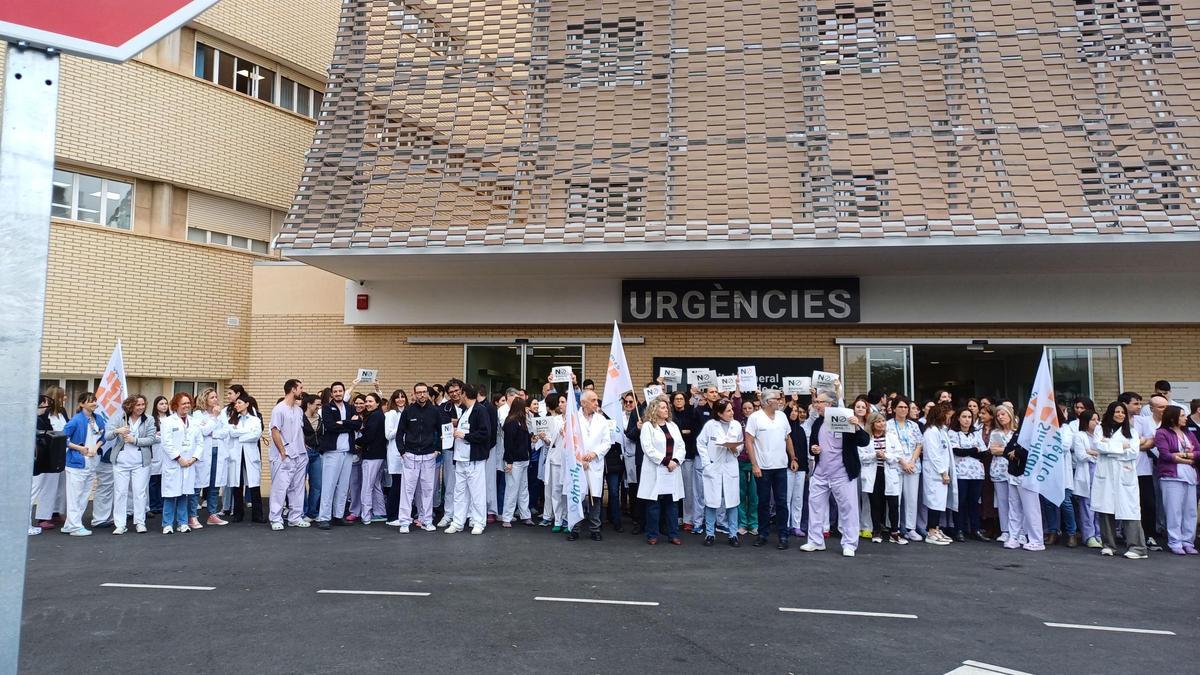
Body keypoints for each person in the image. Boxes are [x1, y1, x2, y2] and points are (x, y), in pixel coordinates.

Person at [802, 390, 869, 556]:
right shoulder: (818, 423)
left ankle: (849, 544)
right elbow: (814, 444)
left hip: (843, 473)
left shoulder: (846, 420)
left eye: (819, 402)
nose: (816, 404)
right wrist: (814, 449)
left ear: (830, 404)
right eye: (816, 402)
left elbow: (864, 441)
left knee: (848, 509)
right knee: (815, 507)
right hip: (821, 472)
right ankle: (815, 541)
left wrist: (857, 427)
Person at [745, 390, 799, 551]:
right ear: (768, 401)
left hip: (781, 466)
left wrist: (793, 457)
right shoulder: (755, 417)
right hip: (763, 467)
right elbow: (749, 441)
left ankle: (783, 535)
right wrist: (754, 464)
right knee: (763, 502)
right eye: (777, 398)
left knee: (782, 502)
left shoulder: (782, 416)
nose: (780, 401)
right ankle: (763, 534)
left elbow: (787, 438)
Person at [1093, 402, 1148, 558]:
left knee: (1129, 510)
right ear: (1110, 413)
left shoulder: (1132, 431)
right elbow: (1098, 446)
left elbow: (1133, 453)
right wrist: (1121, 446)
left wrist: (1109, 446)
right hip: (1106, 475)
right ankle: (1109, 545)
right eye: (1117, 411)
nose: (1120, 414)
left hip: (1125, 475)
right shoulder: (1100, 429)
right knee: (1105, 509)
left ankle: (1138, 548)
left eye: (1122, 412)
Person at [395, 383, 444, 533]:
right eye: (419, 393)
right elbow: (399, 433)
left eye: (424, 392)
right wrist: (402, 451)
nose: (422, 395)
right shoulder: (408, 411)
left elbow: (441, 432)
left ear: (428, 394)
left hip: (429, 456)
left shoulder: (435, 411)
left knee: (428, 490)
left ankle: (427, 520)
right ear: (414, 394)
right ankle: (404, 521)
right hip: (410, 455)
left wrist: (438, 449)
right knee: (407, 490)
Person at [105, 395, 156, 535]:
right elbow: (107, 435)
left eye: (143, 405)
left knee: (139, 493)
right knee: (120, 492)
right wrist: (117, 431)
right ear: (130, 406)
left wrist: (135, 440)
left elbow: (152, 439)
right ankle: (120, 524)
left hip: (140, 462)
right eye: (137, 405)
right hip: (121, 462)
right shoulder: (119, 418)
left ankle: (140, 522)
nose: (141, 407)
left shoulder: (149, 419)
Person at [638, 397, 686, 545]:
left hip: (672, 470)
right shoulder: (648, 427)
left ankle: (673, 534)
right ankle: (652, 534)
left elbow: (681, 446)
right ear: (654, 409)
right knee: (654, 504)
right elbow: (648, 449)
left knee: (672, 503)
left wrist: (676, 461)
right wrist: (666, 461)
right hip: (656, 469)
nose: (666, 410)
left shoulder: (673, 426)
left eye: (667, 407)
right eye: (663, 407)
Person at [445, 383, 491, 535]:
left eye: (459, 393)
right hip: (460, 459)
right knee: (459, 492)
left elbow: (485, 434)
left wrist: (464, 435)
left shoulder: (480, 410)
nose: (457, 395)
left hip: (474, 459)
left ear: (464, 393)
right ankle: (458, 522)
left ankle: (478, 522)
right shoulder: (465, 411)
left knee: (477, 492)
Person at [316, 381, 361, 529]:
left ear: (343, 392)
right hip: (332, 452)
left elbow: (358, 424)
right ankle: (323, 517)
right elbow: (330, 426)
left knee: (343, 486)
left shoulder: (350, 407)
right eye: (335, 391)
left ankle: (338, 515)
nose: (338, 393)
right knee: (329, 485)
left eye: (340, 391)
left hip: (347, 451)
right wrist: (348, 423)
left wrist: (343, 423)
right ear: (332, 393)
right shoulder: (327, 408)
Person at [697, 400, 742, 547]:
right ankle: (710, 534)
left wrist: (735, 449)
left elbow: (740, 445)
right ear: (719, 413)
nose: (732, 413)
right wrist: (706, 463)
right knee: (711, 501)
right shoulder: (710, 425)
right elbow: (700, 442)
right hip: (714, 467)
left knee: (732, 502)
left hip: (730, 467)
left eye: (731, 410)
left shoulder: (736, 425)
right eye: (728, 411)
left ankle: (733, 534)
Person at [1154, 406, 1198, 555]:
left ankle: (1188, 541)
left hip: (1190, 476)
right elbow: (1165, 454)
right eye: (1182, 416)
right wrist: (1188, 457)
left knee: (1190, 511)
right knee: (1174, 511)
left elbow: (1198, 451)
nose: (1186, 418)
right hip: (1171, 477)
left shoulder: (1188, 433)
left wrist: (1182, 456)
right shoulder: (1162, 433)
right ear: (1173, 418)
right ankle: (1175, 541)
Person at [567, 390, 610, 541]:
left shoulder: (601, 419)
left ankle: (595, 528)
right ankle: (575, 528)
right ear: (583, 403)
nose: (596, 403)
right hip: (578, 464)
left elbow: (607, 442)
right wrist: (580, 459)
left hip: (594, 463)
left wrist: (594, 454)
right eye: (593, 400)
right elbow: (570, 442)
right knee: (577, 496)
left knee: (595, 498)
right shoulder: (574, 418)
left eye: (596, 400)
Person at [1120, 392, 1161, 550]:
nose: (1139, 407)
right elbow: (1116, 445)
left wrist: (1131, 447)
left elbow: (1151, 442)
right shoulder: (1117, 420)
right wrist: (1138, 445)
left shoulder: (1142, 421)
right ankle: (1128, 534)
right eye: (1135, 403)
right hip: (1124, 468)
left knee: (1148, 503)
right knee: (1129, 503)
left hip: (1143, 469)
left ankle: (1149, 535)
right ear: (1125, 404)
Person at [269, 379, 310, 531]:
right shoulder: (279, 409)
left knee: (298, 487)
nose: (302, 391)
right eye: (300, 388)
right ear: (293, 389)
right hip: (284, 455)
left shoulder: (298, 410)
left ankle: (295, 517)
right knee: (280, 488)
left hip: (299, 454)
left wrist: (303, 449)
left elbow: (300, 432)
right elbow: (275, 431)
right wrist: (282, 452)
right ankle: (276, 518)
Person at [61, 393, 105, 537]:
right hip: (76, 463)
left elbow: (102, 437)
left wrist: (96, 446)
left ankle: (71, 524)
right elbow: (62, 438)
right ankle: (75, 526)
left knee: (84, 495)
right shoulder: (75, 421)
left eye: (95, 401)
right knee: (75, 496)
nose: (94, 403)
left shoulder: (97, 419)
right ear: (81, 404)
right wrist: (80, 448)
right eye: (90, 401)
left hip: (92, 463)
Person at [861, 411, 904, 544]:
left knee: (893, 503)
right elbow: (861, 456)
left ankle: (894, 532)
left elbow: (898, 454)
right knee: (876, 504)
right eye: (878, 421)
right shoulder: (866, 438)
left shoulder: (891, 436)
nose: (882, 424)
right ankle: (877, 531)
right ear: (872, 424)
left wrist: (886, 456)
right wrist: (875, 455)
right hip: (874, 473)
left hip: (889, 472)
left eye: (883, 421)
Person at [160, 393, 200, 534]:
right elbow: (166, 443)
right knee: (170, 495)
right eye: (183, 403)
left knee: (184, 494)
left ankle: (182, 522)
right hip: (174, 463)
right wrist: (179, 458)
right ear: (176, 405)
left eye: (188, 403)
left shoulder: (194, 421)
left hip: (189, 463)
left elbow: (200, 443)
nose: (186, 406)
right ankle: (167, 524)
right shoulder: (168, 421)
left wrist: (193, 458)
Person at [222, 394, 265, 523]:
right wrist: (246, 432)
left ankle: (257, 515)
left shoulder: (255, 419)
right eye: (236, 403)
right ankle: (238, 514)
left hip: (250, 455)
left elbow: (256, 435)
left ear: (247, 404)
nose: (236, 405)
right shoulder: (233, 419)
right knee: (237, 484)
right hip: (236, 455)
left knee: (254, 485)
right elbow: (231, 433)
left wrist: (240, 436)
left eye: (239, 403)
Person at [949, 407, 987, 542]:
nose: (967, 420)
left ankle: (975, 529)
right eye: (964, 417)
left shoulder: (975, 434)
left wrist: (969, 450)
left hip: (976, 473)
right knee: (961, 502)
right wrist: (974, 450)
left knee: (974, 502)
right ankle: (959, 529)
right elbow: (957, 452)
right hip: (961, 473)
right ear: (958, 418)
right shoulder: (953, 433)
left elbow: (983, 452)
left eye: (969, 417)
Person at [32, 387, 69, 530]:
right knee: (48, 485)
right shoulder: (44, 414)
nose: (64, 398)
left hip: (62, 453)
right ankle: (43, 517)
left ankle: (55, 512)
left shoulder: (62, 412)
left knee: (60, 485)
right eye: (62, 396)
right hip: (48, 454)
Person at [920, 402, 955, 545]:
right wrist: (943, 472)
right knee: (934, 502)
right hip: (935, 473)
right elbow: (934, 454)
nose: (949, 419)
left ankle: (936, 528)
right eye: (948, 416)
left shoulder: (941, 430)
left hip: (941, 472)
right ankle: (931, 531)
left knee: (940, 502)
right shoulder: (931, 431)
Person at [889, 398, 924, 542]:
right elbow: (888, 446)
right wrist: (903, 462)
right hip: (896, 465)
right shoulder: (887, 425)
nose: (904, 409)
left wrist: (912, 461)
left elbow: (919, 445)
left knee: (911, 498)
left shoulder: (914, 425)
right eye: (900, 407)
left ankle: (911, 528)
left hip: (912, 466)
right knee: (895, 498)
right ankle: (895, 528)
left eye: (906, 407)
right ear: (894, 408)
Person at [669, 391, 702, 534]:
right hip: (672, 458)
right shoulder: (670, 415)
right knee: (672, 489)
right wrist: (684, 432)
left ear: (685, 400)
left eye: (681, 399)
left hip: (688, 456)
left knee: (688, 490)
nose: (679, 401)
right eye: (676, 399)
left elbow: (695, 432)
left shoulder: (692, 413)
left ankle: (688, 520)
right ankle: (675, 517)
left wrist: (685, 433)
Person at [501, 397, 535, 527]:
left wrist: (531, 441)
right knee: (512, 489)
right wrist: (509, 461)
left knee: (523, 489)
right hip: (514, 461)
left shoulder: (522, 422)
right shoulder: (511, 423)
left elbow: (525, 441)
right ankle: (507, 518)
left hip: (523, 459)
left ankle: (525, 515)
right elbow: (508, 444)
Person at [1070, 410, 1102, 548]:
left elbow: (1107, 452)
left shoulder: (1100, 435)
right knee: (1087, 506)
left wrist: (1092, 452)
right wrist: (1097, 454)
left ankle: (1099, 534)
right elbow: (1081, 456)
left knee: (1099, 505)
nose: (1096, 422)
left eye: (1097, 419)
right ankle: (1089, 535)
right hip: (1087, 474)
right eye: (1093, 419)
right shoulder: (1079, 436)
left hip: (1100, 474)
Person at [355, 392, 388, 524]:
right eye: (366, 401)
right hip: (378, 455)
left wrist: (356, 442)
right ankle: (380, 512)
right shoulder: (379, 415)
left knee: (367, 486)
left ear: (377, 403)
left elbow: (369, 436)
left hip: (372, 455)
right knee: (375, 484)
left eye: (370, 401)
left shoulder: (374, 416)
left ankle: (366, 515)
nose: (367, 404)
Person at [785, 400, 811, 538]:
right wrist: (791, 461)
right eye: (793, 411)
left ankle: (796, 525)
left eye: (797, 411)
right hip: (788, 467)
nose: (795, 413)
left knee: (798, 498)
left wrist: (805, 469)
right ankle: (787, 524)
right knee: (787, 497)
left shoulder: (801, 429)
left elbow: (803, 451)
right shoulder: (784, 428)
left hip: (801, 469)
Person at [383, 388, 407, 526]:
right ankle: (392, 517)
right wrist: (402, 426)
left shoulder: (408, 412)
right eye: (397, 397)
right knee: (396, 485)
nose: (400, 399)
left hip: (407, 453)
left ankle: (403, 514)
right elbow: (388, 435)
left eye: (402, 397)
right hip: (395, 453)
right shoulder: (391, 414)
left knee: (406, 486)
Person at [302, 393, 323, 522]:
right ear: (309, 404)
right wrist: (302, 444)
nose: (319, 407)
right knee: (301, 484)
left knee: (317, 484)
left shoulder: (320, 418)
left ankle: (312, 512)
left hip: (317, 453)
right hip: (305, 453)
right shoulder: (301, 417)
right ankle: (302, 512)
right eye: (317, 404)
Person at [147, 396, 169, 519]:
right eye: (161, 403)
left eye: (166, 403)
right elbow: (150, 436)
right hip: (155, 452)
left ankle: (162, 504)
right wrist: (158, 435)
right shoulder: (151, 420)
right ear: (156, 406)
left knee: (164, 479)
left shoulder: (171, 419)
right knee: (153, 480)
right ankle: (153, 505)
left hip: (166, 453)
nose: (164, 406)